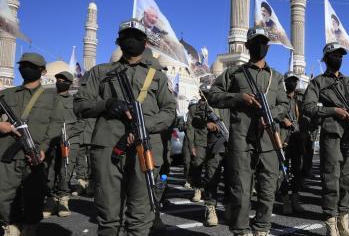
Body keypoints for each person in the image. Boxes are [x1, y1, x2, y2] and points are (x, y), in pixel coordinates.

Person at [74, 19, 177, 236]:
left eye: (137, 37)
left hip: (145, 147)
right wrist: (107, 104)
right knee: (108, 215)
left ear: (145, 42)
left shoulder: (157, 76)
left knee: (140, 217)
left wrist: (142, 127)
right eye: (126, 37)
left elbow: (169, 113)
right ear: (118, 41)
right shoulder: (100, 72)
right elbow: (80, 104)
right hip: (107, 148)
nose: (132, 41)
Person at [208, 28, 289, 236]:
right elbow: (214, 95)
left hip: (269, 140)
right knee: (241, 189)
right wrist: (239, 98)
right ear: (247, 46)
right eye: (255, 42)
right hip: (241, 140)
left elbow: (284, 105)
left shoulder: (276, 77)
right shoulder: (234, 73)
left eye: (263, 42)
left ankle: (262, 228)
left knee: (268, 189)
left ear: (268, 47)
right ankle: (240, 230)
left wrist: (270, 114)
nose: (260, 46)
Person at [303, 42, 349, 236]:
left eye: (341, 55)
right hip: (332, 134)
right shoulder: (317, 82)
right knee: (331, 179)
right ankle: (331, 222)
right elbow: (309, 107)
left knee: (348, 180)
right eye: (335, 55)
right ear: (326, 57)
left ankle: (344, 220)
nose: (339, 58)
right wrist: (333, 111)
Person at [0, 53, 61, 236]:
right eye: (24, 65)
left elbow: (55, 125)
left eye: (32, 66)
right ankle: (11, 224)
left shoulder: (51, 97)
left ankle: (30, 225)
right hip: (7, 153)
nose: (26, 68)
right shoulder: (6, 94)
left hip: (35, 153)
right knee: (4, 193)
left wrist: (42, 148)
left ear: (42, 71)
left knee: (34, 193)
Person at [44, 71, 86, 218]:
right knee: (49, 172)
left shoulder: (75, 101)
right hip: (50, 141)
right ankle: (50, 200)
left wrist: (69, 132)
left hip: (68, 141)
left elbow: (82, 122)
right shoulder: (48, 99)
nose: (59, 82)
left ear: (69, 83)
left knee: (65, 171)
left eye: (63, 80)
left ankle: (63, 200)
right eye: (58, 80)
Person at [189, 84, 228, 227]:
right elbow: (195, 121)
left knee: (232, 180)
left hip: (232, 146)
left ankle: (229, 208)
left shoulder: (231, 100)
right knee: (211, 178)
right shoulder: (207, 103)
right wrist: (207, 123)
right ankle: (210, 208)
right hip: (215, 146)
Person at [279, 73, 307, 215]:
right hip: (284, 139)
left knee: (297, 171)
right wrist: (284, 119)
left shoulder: (299, 100)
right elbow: (273, 111)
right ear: (285, 82)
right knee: (283, 172)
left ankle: (295, 199)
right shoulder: (280, 97)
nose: (293, 82)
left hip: (296, 139)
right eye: (290, 80)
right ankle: (285, 201)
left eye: (295, 80)